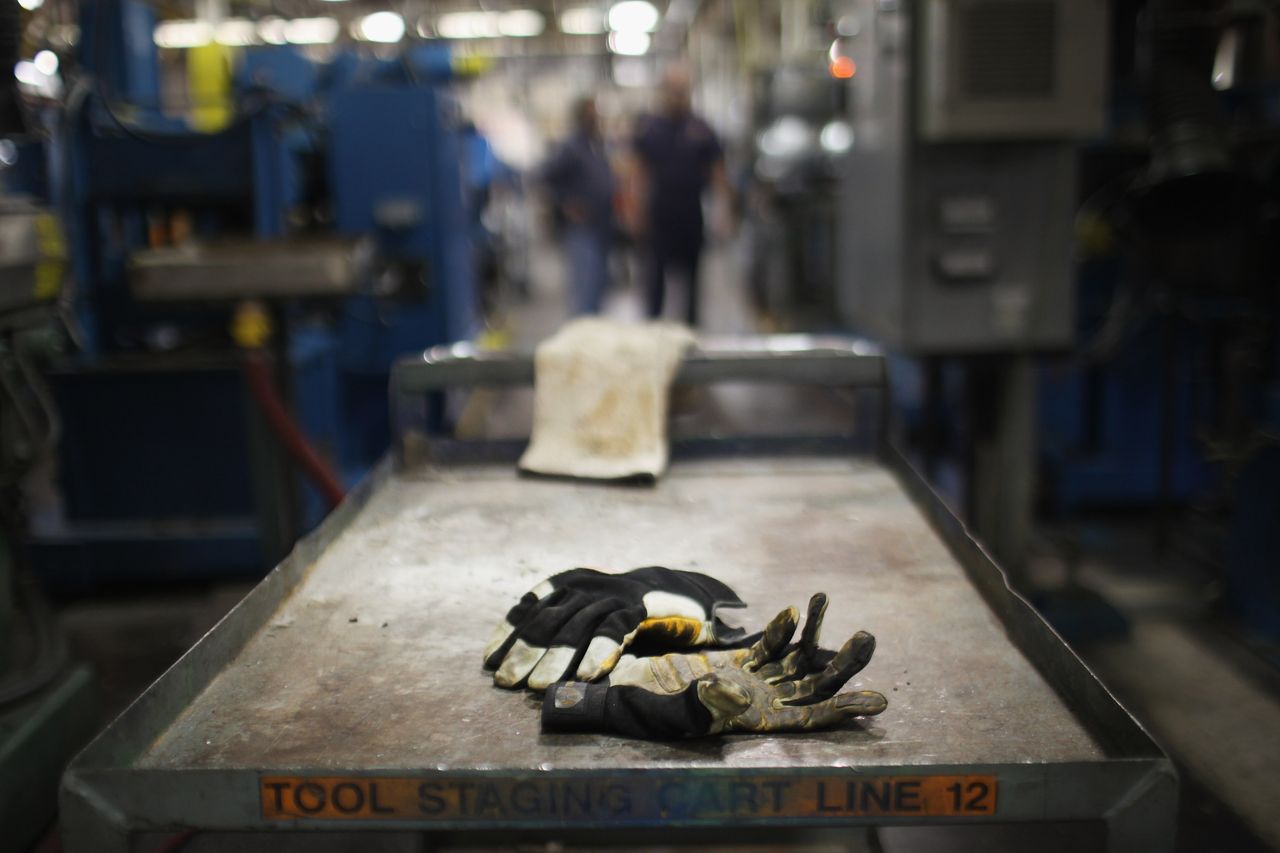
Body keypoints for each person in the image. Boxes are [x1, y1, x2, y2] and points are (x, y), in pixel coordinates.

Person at [632, 64, 731, 327]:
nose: (677, 96)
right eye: (672, 90)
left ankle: (691, 335)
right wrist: (635, 212)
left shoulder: (701, 129)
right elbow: (638, 173)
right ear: (663, 92)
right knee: (655, 282)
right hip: (659, 216)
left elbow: (718, 173)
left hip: (690, 215)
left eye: (682, 90)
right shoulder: (650, 128)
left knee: (692, 285)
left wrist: (723, 212)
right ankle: (652, 333)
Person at [542, 96, 616, 316]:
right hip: (582, 230)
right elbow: (546, 176)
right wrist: (566, 203)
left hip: (602, 227)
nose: (596, 118)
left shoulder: (595, 145)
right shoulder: (571, 147)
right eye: (591, 114)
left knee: (599, 288)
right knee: (585, 292)